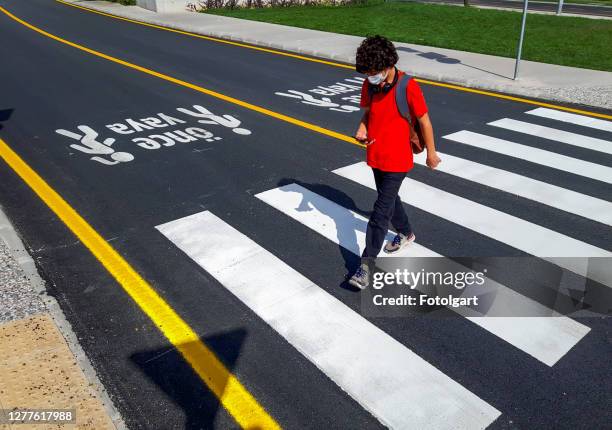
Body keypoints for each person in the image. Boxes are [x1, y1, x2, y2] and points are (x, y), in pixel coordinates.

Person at [348, 35, 441, 290]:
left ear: (388, 65)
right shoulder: (370, 85)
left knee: (380, 212)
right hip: (376, 154)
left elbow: (424, 121)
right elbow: (369, 113)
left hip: (399, 159)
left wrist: (431, 153)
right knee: (388, 199)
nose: (369, 77)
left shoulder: (407, 86)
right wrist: (362, 128)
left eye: (374, 72)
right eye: (366, 73)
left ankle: (365, 266)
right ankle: (406, 233)